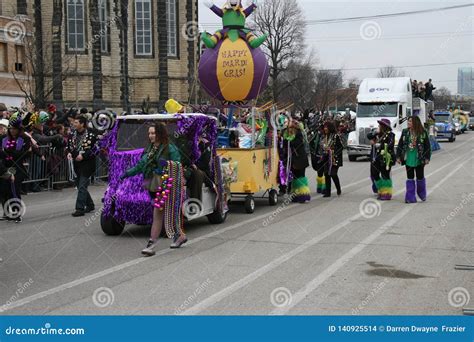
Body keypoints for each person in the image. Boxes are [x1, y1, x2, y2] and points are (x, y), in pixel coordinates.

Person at [121, 123, 187, 256]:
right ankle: (180, 236)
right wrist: (127, 173)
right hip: (152, 184)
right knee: (165, 213)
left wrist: (166, 165)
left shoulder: (170, 148)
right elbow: (140, 166)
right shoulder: (149, 149)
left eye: (154, 133)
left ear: (160, 133)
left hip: (166, 185)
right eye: (149, 133)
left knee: (158, 213)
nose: (151, 135)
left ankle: (151, 244)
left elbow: (178, 165)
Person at [0, 116, 31, 222]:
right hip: (5, 167)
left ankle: (17, 213)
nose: (12, 130)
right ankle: (7, 212)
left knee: (14, 190)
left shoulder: (24, 138)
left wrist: (10, 152)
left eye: (14, 128)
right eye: (10, 128)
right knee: (5, 190)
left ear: (19, 129)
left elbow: (26, 153)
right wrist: (6, 153)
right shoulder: (3, 138)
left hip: (17, 168)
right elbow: (2, 153)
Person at [67, 115, 97, 216]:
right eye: (74, 122)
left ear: (82, 124)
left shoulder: (91, 135)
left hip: (88, 163)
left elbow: (94, 150)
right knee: (80, 186)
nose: (74, 124)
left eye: (76, 122)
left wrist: (83, 156)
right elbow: (69, 147)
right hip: (77, 163)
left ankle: (79, 208)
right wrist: (69, 153)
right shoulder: (72, 135)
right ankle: (90, 204)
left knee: (82, 185)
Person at [397, 116, 431, 203]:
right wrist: (398, 157)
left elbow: (427, 146)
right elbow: (400, 145)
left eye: (410, 122)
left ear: (415, 123)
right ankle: (410, 197)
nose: (408, 123)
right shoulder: (405, 132)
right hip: (408, 158)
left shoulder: (423, 132)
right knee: (410, 178)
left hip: (419, 158)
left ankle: (421, 193)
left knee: (420, 177)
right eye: (408, 121)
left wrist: (427, 157)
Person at [282, 119, 310, 203]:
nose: (289, 130)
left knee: (301, 176)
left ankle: (303, 195)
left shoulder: (298, 134)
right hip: (292, 160)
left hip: (300, 158)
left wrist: (288, 140)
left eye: (290, 128)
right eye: (288, 128)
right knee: (294, 177)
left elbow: (297, 144)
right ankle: (295, 194)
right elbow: (285, 145)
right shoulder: (286, 135)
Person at [368, 119, 396, 200]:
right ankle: (381, 190)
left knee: (385, 175)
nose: (379, 126)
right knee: (374, 174)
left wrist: (378, 144)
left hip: (385, 158)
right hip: (375, 158)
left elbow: (390, 144)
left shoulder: (390, 135)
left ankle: (387, 193)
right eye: (379, 125)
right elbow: (368, 136)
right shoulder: (377, 134)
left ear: (385, 127)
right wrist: (375, 133)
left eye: (380, 125)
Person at [321, 121, 343, 198]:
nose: (325, 128)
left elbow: (341, 147)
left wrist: (334, 152)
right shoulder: (325, 137)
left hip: (334, 158)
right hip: (327, 158)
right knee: (326, 174)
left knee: (333, 174)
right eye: (324, 127)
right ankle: (328, 192)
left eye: (326, 127)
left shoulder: (336, 136)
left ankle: (338, 189)